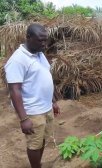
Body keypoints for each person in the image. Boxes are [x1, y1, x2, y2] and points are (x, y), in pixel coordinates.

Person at [4, 23, 60, 168]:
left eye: (45, 40)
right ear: (28, 37)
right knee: (34, 144)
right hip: (33, 112)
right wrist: (24, 119)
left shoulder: (39, 54)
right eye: (40, 40)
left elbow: (45, 77)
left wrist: (52, 101)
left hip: (45, 108)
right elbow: (14, 90)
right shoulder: (17, 60)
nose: (44, 44)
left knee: (42, 140)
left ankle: (38, 164)